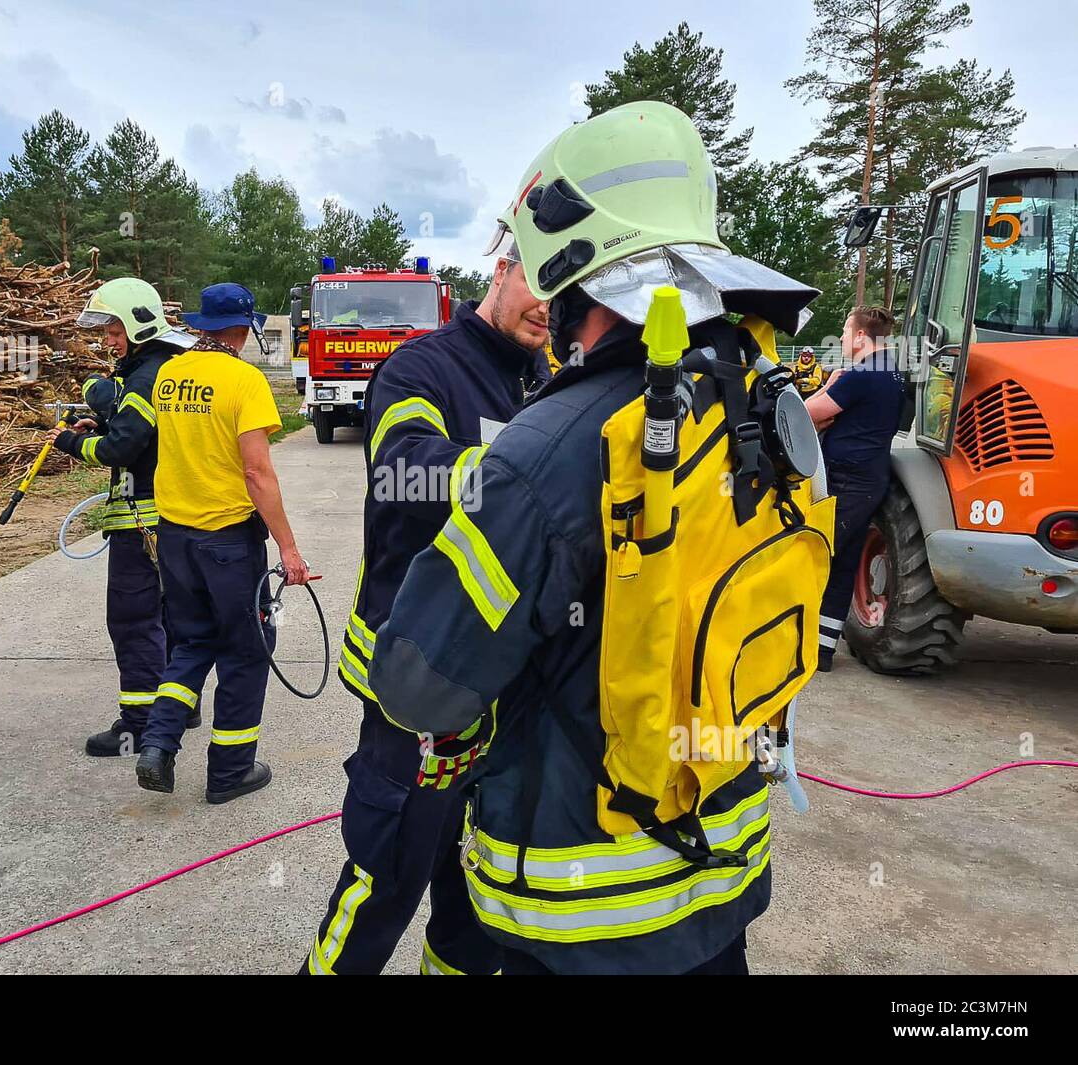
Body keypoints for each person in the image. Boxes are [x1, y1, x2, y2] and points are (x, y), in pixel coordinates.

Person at [365, 101, 821, 974]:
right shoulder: (751, 407)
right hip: (719, 878)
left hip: (580, 917)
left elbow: (419, 685)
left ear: (572, 263)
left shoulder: (552, 448)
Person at [303, 240, 549, 976]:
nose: (549, 305)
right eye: (538, 280)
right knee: (388, 876)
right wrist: (527, 476)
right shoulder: (422, 367)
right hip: (419, 682)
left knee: (480, 890)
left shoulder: (545, 378)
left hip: (506, 685)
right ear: (500, 271)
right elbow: (403, 469)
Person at [134, 283, 308, 802]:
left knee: (192, 641)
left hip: (175, 535)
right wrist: (289, 549)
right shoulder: (243, 380)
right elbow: (257, 473)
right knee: (247, 651)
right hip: (228, 542)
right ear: (241, 329)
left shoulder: (168, 374)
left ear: (200, 325)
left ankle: (159, 742)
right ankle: (229, 772)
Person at [54, 277, 199, 757]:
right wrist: (107, 419)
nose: (108, 340)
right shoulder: (166, 366)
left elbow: (124, 447)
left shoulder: (141, 377)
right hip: (172, 516)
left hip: (142, 518)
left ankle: (138, 724)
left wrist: (72, 442)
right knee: (169, 612)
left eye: (114, 329)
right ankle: (180, 705)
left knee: (133, 619)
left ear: (139, 323)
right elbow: (147, 432)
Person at [805, 306, 905, 670]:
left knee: (816, 553)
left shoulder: (861, 374)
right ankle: (822, 649)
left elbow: (806, 413)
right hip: (868, 479)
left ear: (862, 336)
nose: (844, 339)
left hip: (848, 480)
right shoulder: (892, 372)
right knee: (844, 563)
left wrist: (829, 386)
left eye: (846, 332)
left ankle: (801, 644)